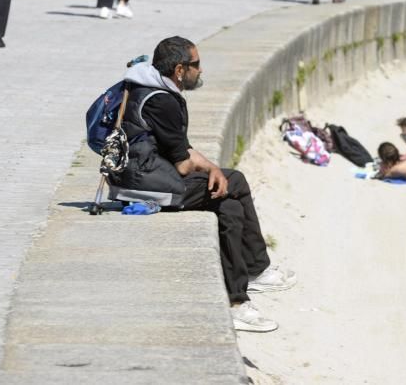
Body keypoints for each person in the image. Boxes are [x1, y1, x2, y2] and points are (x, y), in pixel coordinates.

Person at [119, 36, 296, 332]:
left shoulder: (150, 87)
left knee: (228, 208)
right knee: (234, 180)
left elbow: (182, 149)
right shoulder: (162, 101)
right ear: (179, 70)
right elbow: (184, 164)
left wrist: (212, 168)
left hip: (145, 173)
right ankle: (256, 271)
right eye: (196, 64)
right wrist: (216, 171)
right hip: (145, 185)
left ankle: (238, 302)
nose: (200, 70)